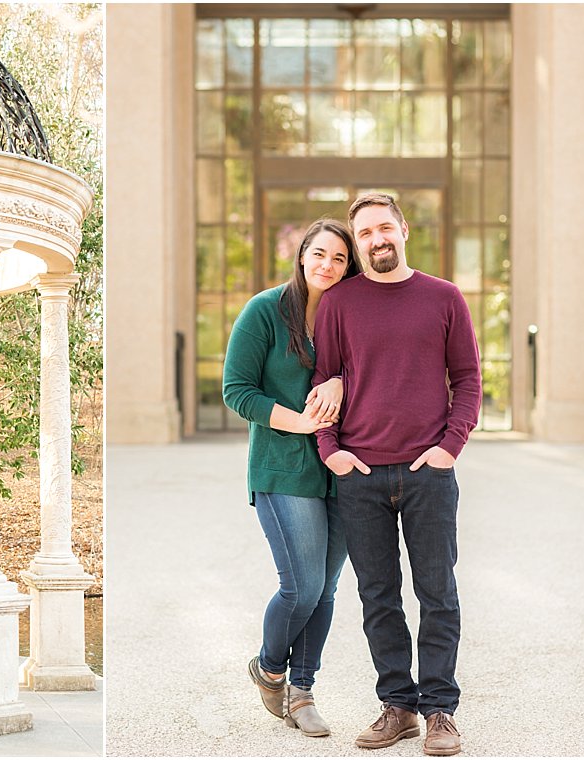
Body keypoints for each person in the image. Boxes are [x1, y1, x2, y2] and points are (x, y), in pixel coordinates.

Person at [314, 193, 481, 757]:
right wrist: (330, 451)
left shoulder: (444, 297)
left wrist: (449, 448)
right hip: (359, 475)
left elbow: (468, 381)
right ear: (357, 243)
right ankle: (398, 706)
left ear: (404, 229)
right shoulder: (339, 302)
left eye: (385, 228)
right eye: (365, 233)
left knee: (438, 594)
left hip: (428, 473)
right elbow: (324, 380)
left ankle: (440, 711)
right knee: (377, 596)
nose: (377, 239)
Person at [224, 219, 360, 737]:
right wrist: (300, 421)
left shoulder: (352, 315)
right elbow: (237, 390)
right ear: (302, 255)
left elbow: (374, 369)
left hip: (344, 466)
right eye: (319, 254)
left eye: (340, 259)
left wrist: (343, 383)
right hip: (284, 466)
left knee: (325, 590)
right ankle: (269, 667)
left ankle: (302, 693)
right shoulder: (264, 310)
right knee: (300, 587)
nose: (328, 265)